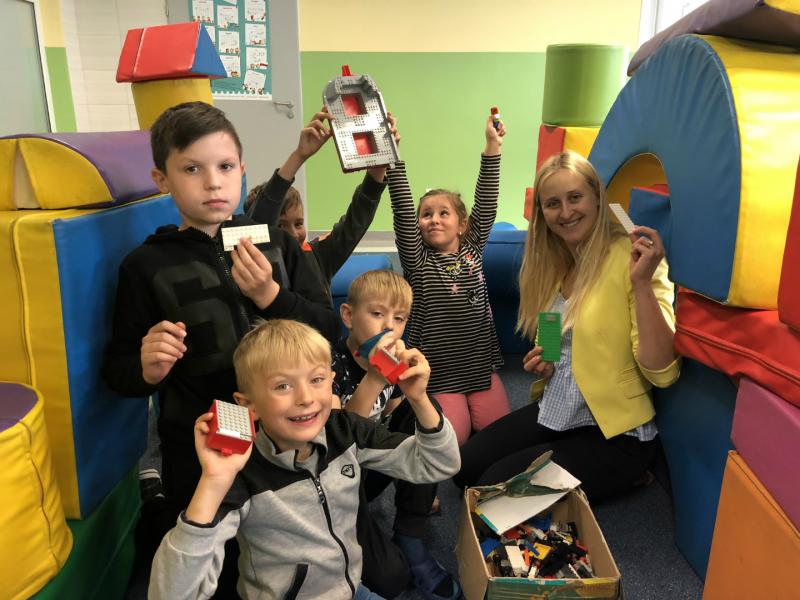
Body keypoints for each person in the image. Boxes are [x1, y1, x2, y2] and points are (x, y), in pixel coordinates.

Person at [102, 101, 339, 590]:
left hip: (291, 432)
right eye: (192, 169)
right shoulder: (145, 265)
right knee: (215, 562)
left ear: (242, 169)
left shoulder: (277, 244)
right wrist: (146, 368)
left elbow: (328, 330)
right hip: (205, 443)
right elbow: (118, 371)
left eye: (225, 167)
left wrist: (271, 296)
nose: (213, 182)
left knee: (294, 549)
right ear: (162, 179)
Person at [148, 319, 460, 600]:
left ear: (331, 381)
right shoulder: (241, 473)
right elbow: (171, 594)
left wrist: (418, 399)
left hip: (351, 588)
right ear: (248, 406)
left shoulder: (343, 430)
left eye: (316, 380)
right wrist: (213, 482)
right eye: (283, 386)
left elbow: (439, 464)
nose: (306, 398)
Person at [455, 151, 681, 502]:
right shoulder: (553, 262)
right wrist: (545, 360)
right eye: (553, 203)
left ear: (597, 198)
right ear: (542, 213)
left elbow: (662, 371)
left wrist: (641, 284)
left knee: (492, 491)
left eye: (575, 197)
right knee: (465, 469)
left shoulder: (632, 259)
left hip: (615, 432)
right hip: (560, 409)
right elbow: (551, 333)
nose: (565, 212)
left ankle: (630, 474)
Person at [333, 270, 462, 600]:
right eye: (377, 314)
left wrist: (415, 394)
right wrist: (375, 378)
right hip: (340, 477)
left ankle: (410, 533)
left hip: (372, 463)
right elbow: (337, 440)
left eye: (399, 318)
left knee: (423, 409)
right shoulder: (329, 365)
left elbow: (393, 415)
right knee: (390, 579)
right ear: (348, 315)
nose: (389, 327)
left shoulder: (392, 360)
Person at [386, 113, 511, 446]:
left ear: (462, 225)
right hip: (439, 373)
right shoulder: (418, 260)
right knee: (453, 440)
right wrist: (392, 159)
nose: (434, 219)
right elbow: (402, 210)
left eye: (444, 213)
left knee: (499, 432)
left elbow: (486, 201)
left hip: (479, 367)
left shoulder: (472, 248)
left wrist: (492, 147)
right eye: (426, 214)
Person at [245, 109, 398, 302]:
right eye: (281, 226)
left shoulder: (318, 256)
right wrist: (299, 156)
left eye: (298, 224)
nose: (293, 234)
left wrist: (378, 167)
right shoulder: (250, 266)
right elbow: (259, 221)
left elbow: (356, 221)